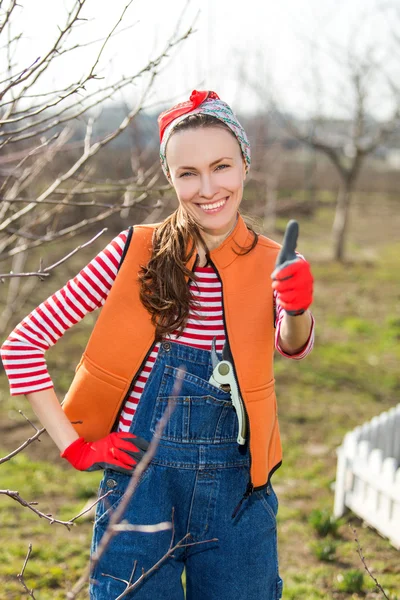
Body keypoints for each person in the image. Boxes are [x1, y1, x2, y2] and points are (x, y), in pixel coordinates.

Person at [1, 90, 314, 600]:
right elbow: (22, 344)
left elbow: (291, 344)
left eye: (221, 166)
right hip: (138, 491)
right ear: (169, 177)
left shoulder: (273, 261)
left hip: (239, 495)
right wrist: (76, 446)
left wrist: (297, 306)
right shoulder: (133, 253)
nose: (208, 187)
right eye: (188, 172)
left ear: (245, 166)